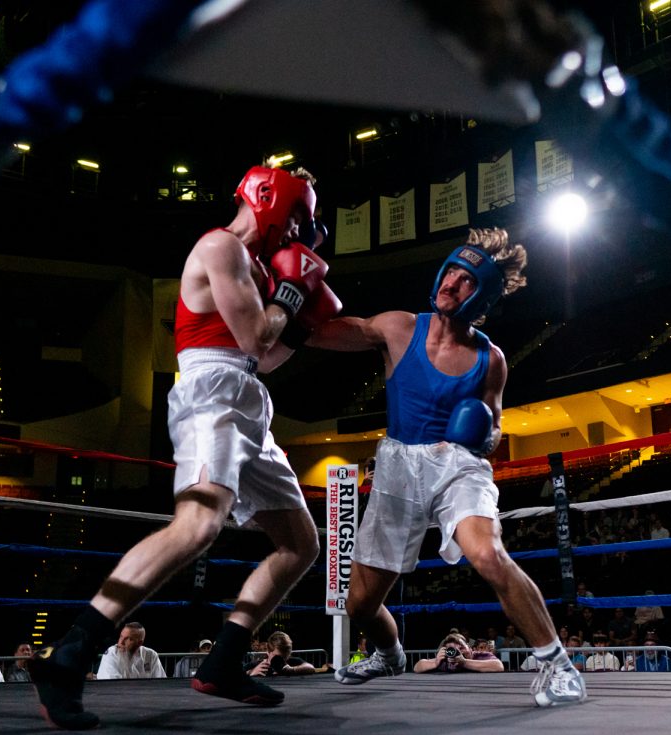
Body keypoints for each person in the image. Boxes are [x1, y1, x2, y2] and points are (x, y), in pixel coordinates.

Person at [29, 165, 334, 729]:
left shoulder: (259, 271)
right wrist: (292, 296)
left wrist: (298, 319)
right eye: (297, 220)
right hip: (211, 393)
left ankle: (223, 660)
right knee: (196, 526)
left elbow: (264, 355)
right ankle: (70, 654)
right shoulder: (220, 247)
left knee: (300, 543)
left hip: (246, 395)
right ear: (269, 201)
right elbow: (254, 336)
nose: (298, 235)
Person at [312, 227, 584, 707]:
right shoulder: (398, 327)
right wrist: (278, 297)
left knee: (488, 555)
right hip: (397, 465)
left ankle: (560, 667)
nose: (453, 283)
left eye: (466, 280)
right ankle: (390, 654)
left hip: (458, 466)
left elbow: (495, 430)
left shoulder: (490, 359)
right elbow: (321, 333)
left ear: (481, 296)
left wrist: (481, 431)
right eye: (451, 272)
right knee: (359, 604)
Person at [96, 623, 166, 680]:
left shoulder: (150, 655)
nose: (121, 642)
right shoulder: (112, 653)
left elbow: (160, 682)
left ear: (139, 643)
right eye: (121, 636)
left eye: (127, 639)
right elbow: (112, 684)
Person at [246, 631, 331, 677]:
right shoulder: (257, 665)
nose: (280, 661)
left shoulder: (292, 662)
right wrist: (250, 673)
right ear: (269, 651)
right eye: (277, 657)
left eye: (284, 657)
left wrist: (289, 670)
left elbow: (311, 668)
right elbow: (235, 676)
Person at [413, 633, 503, 674]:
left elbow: (498, 666)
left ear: (469, 647)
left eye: (461, 648)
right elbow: (417, 667)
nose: (459, 652)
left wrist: (464, 662)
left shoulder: (479, 655)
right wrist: (435, 662)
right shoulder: (445, 660)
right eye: (454, 650)